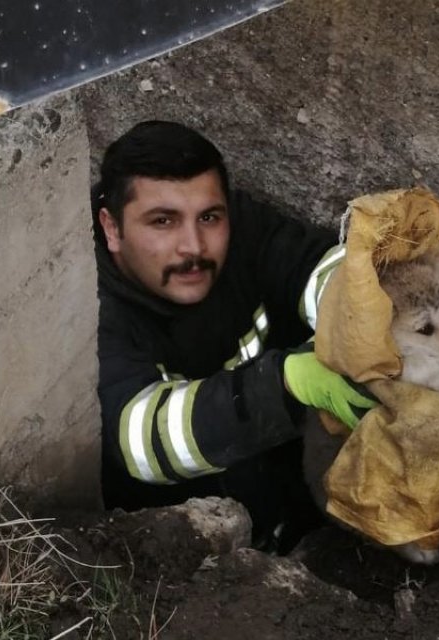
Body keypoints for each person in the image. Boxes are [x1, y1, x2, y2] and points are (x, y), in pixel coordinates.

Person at [91, 120, 377, 551]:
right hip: (183, 550)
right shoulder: (90, 307)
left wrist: (376, 315)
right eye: (162, 221)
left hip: (281, 488)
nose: (194, 246)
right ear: (112, 228)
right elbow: (137, 439)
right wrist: (287, 384)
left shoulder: (244, 230)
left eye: (209, 217)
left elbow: (314, 267)